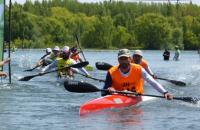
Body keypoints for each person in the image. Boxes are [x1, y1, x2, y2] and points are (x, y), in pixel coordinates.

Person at [102, 48, 173, 100]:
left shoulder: (139, 69)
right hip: (119, 96)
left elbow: (152, 82)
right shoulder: (111, 72)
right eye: (121, 59)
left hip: (136, 96)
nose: (123, 61)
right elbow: (104, 90)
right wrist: (110, 89)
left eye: (125, 58)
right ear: (118, 60)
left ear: (130, 59)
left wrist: (165, 92)